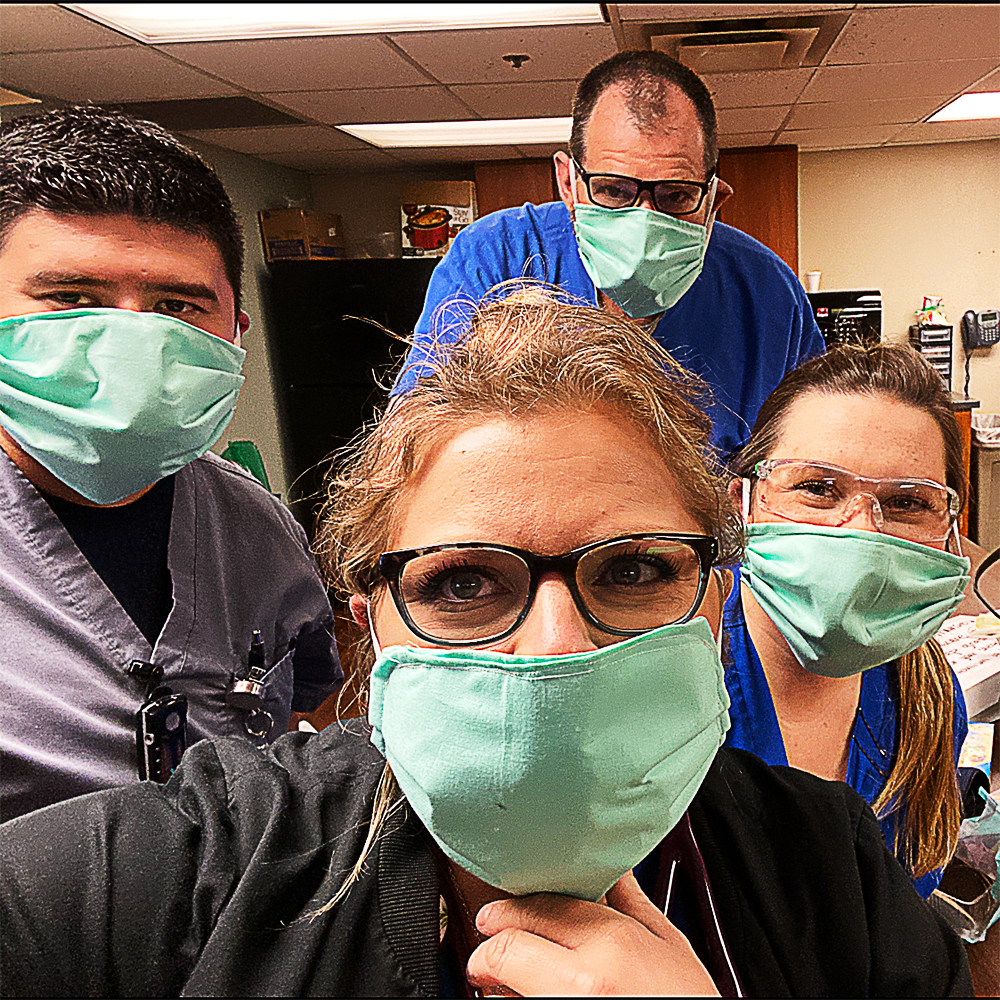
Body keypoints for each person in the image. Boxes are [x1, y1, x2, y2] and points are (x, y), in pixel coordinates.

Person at [0, 294, 969, 997]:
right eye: (462, 583)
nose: (552, 647)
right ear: (369, 619)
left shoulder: (829, 868)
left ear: (712, 599)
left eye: (630, 572)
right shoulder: (160, 876)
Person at [0, 107, 341, 820]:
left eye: (177, 306)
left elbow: (302, 712)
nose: (134, 339)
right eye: (72, 299)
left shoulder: (256, 527)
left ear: (235, 334)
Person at [393, 50, 824, 460]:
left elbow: (814, 458)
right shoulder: (498, 256)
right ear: (568, 183)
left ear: (713, 198)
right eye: (613, 191)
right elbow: (414, 441)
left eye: (676, 195)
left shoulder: (766, 294)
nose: (643, 224)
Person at [723, 345, 976, 899]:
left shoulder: (927, 706)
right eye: (817, 488)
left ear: (950, 527)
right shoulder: (665, 693)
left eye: (907, 502)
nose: (860, 532)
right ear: (743, 499)